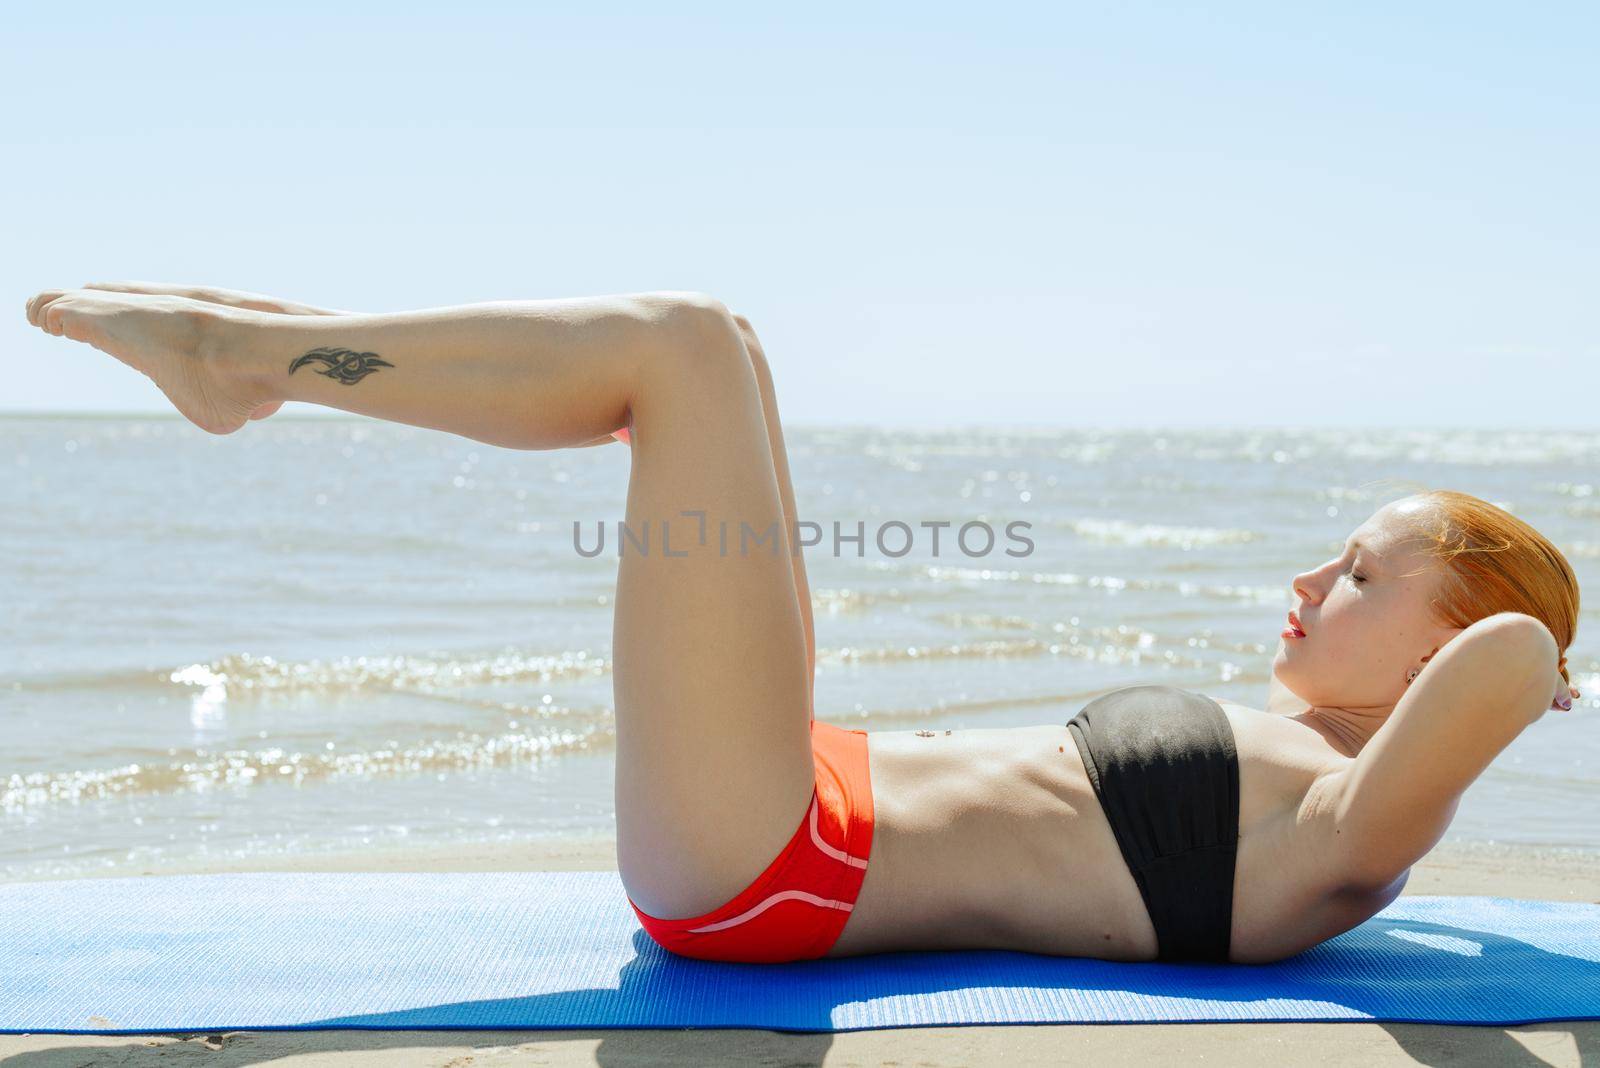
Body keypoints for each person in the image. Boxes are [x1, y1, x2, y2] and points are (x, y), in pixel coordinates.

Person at [24, 283, 1581, 964]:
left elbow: (1505, 672)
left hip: (775, 864)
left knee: (681, 348)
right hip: (794, 795)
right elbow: (1484, 667)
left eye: (1364, 574)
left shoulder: (1349, 831)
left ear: (1455, 641)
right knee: (731, 356)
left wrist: (1537, 658)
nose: (1310, 584)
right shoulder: (1309, 770)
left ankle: (253, 362)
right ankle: (274, 350)